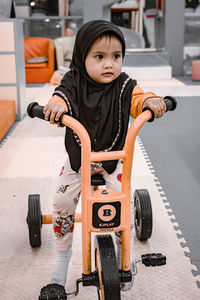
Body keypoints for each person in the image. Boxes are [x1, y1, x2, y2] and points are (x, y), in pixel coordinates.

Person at [39, 20, 166, 299]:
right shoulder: (73, 81)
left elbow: (139, 96)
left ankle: (123, 256)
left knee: (119, 206)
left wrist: (151, 101)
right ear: (82, 57)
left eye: (116, 57)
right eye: (99, 57)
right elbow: (61, 96)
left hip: (112, 162)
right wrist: (57, 106)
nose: (109, 64)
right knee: (61, 202)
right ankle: (62, 257)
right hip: (79, 161)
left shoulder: (124, 85)